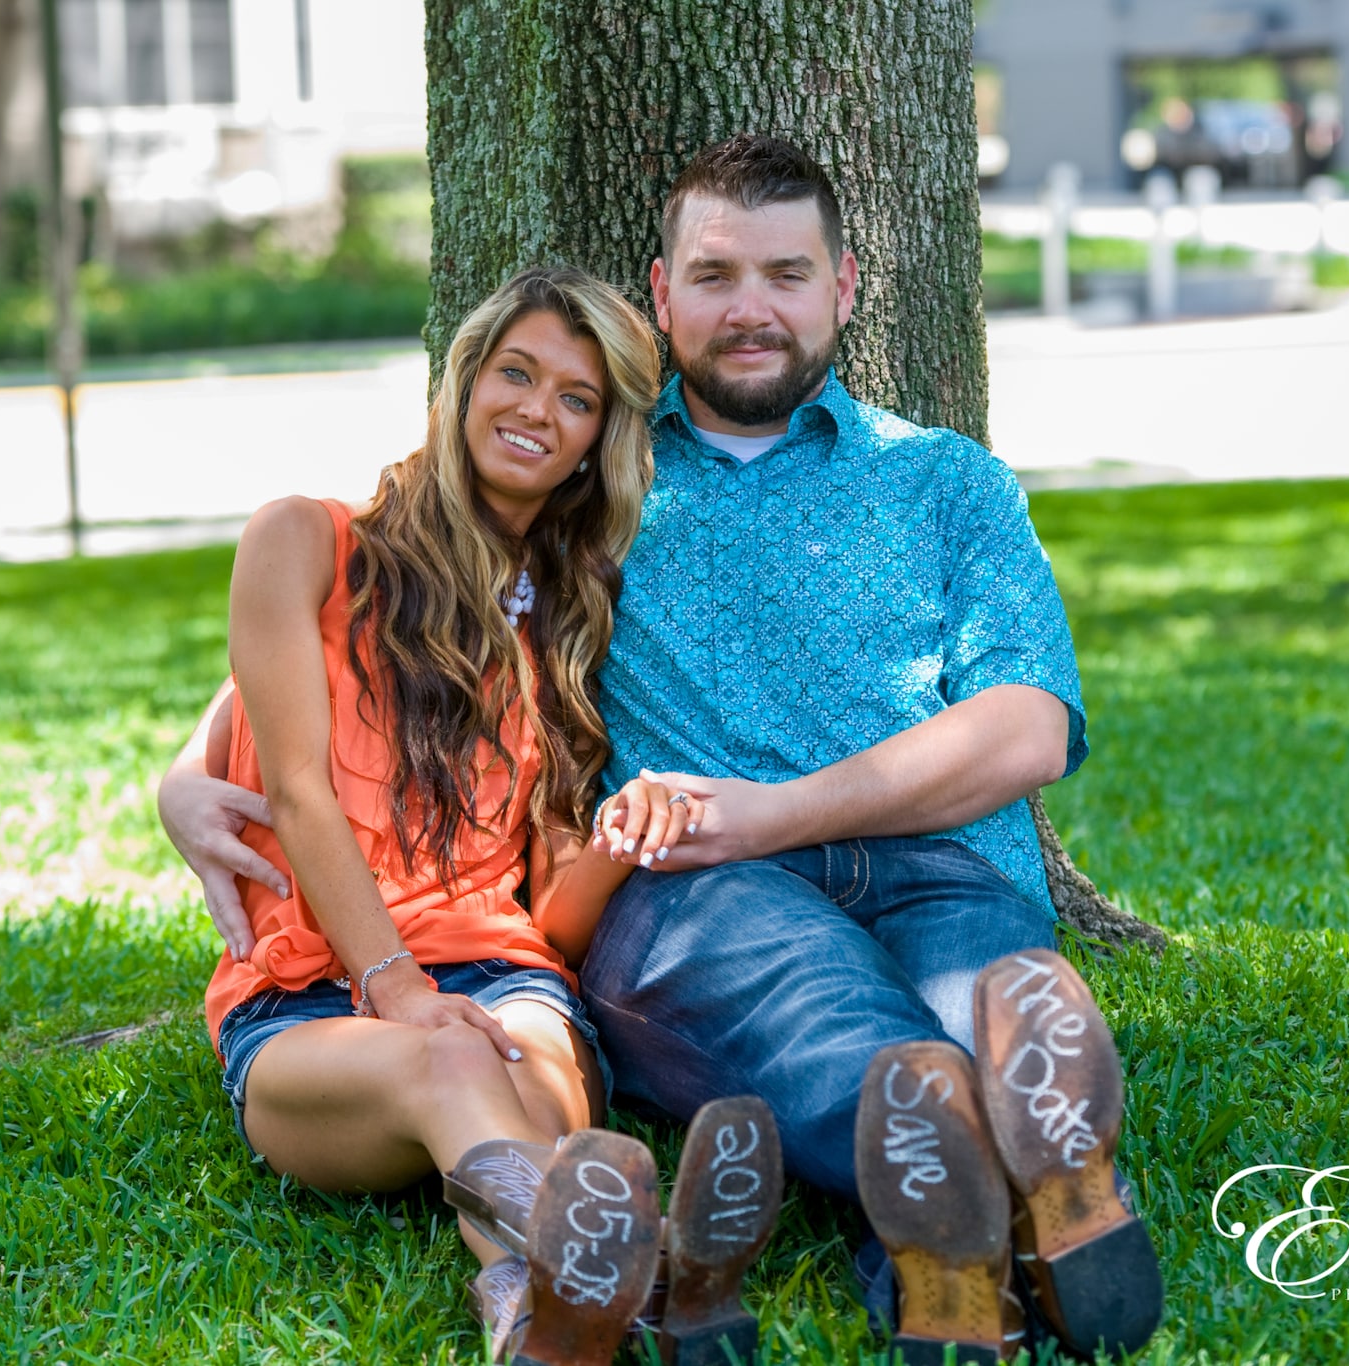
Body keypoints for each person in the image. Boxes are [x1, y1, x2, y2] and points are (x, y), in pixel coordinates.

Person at [163, 140, 1160, 1361]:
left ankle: (966, 1229)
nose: (750, 307)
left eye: (786, 273)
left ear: (843, 287)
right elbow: (364, 627)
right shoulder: (600, 484)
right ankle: (977, 1196)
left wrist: (763, 810)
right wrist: (184, 771)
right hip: (709, 891)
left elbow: (1029, 729)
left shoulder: (945, 482)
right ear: (662, 293)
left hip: (935, 865)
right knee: (856, 1037)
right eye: (716, 274)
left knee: (975, 1008)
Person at [181, 265, 781, 1366]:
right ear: (461, 383)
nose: (536, 410)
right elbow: (298, 787)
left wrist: (620, 834)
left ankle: (528, 1306)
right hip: (309, 998)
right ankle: (657, 1270)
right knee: (455, 1069)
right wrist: (397, 987)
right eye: (516, 372)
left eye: (576, 397)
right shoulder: (304, 544)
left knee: (517, 1065)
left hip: (506, 981)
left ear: (598, 437)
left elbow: (546, 921)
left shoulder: (561, 627)